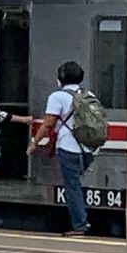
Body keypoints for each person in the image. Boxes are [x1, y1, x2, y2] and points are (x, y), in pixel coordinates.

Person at [39, 59, 99, 236]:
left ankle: (80, 225)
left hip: (68, 148)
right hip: (88, 150)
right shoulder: (89, 95)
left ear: (61, 78)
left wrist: (34, 143)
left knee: (72, 187)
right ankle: (81, 220)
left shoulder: (57, 97)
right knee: (76, 185)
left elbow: (48, 123)